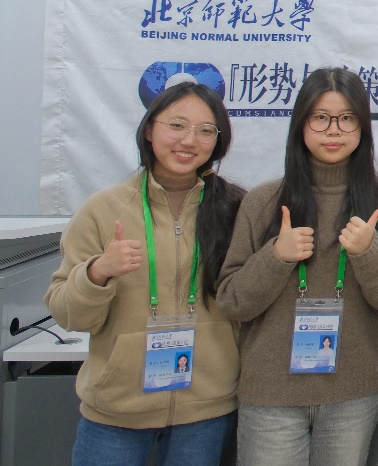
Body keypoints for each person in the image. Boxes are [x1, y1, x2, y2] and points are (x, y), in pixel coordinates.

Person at [217, 67, 378, 465]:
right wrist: (276, 257)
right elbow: (232, 302)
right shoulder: (264, 201)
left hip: (351, 394)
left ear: (363, 127)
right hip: (271, 394)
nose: (333, 130)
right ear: (301, 124)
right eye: (321, 117)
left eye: (347, 118)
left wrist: (368, 252)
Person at [45, 81, 245, 466]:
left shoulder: (236, 209)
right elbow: (68, 315)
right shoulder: (103, 210)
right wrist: (97, 273)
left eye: (206, 130)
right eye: (177, 125)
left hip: (205, 409)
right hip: (117, 411)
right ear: (150, 129)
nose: (189, 140)